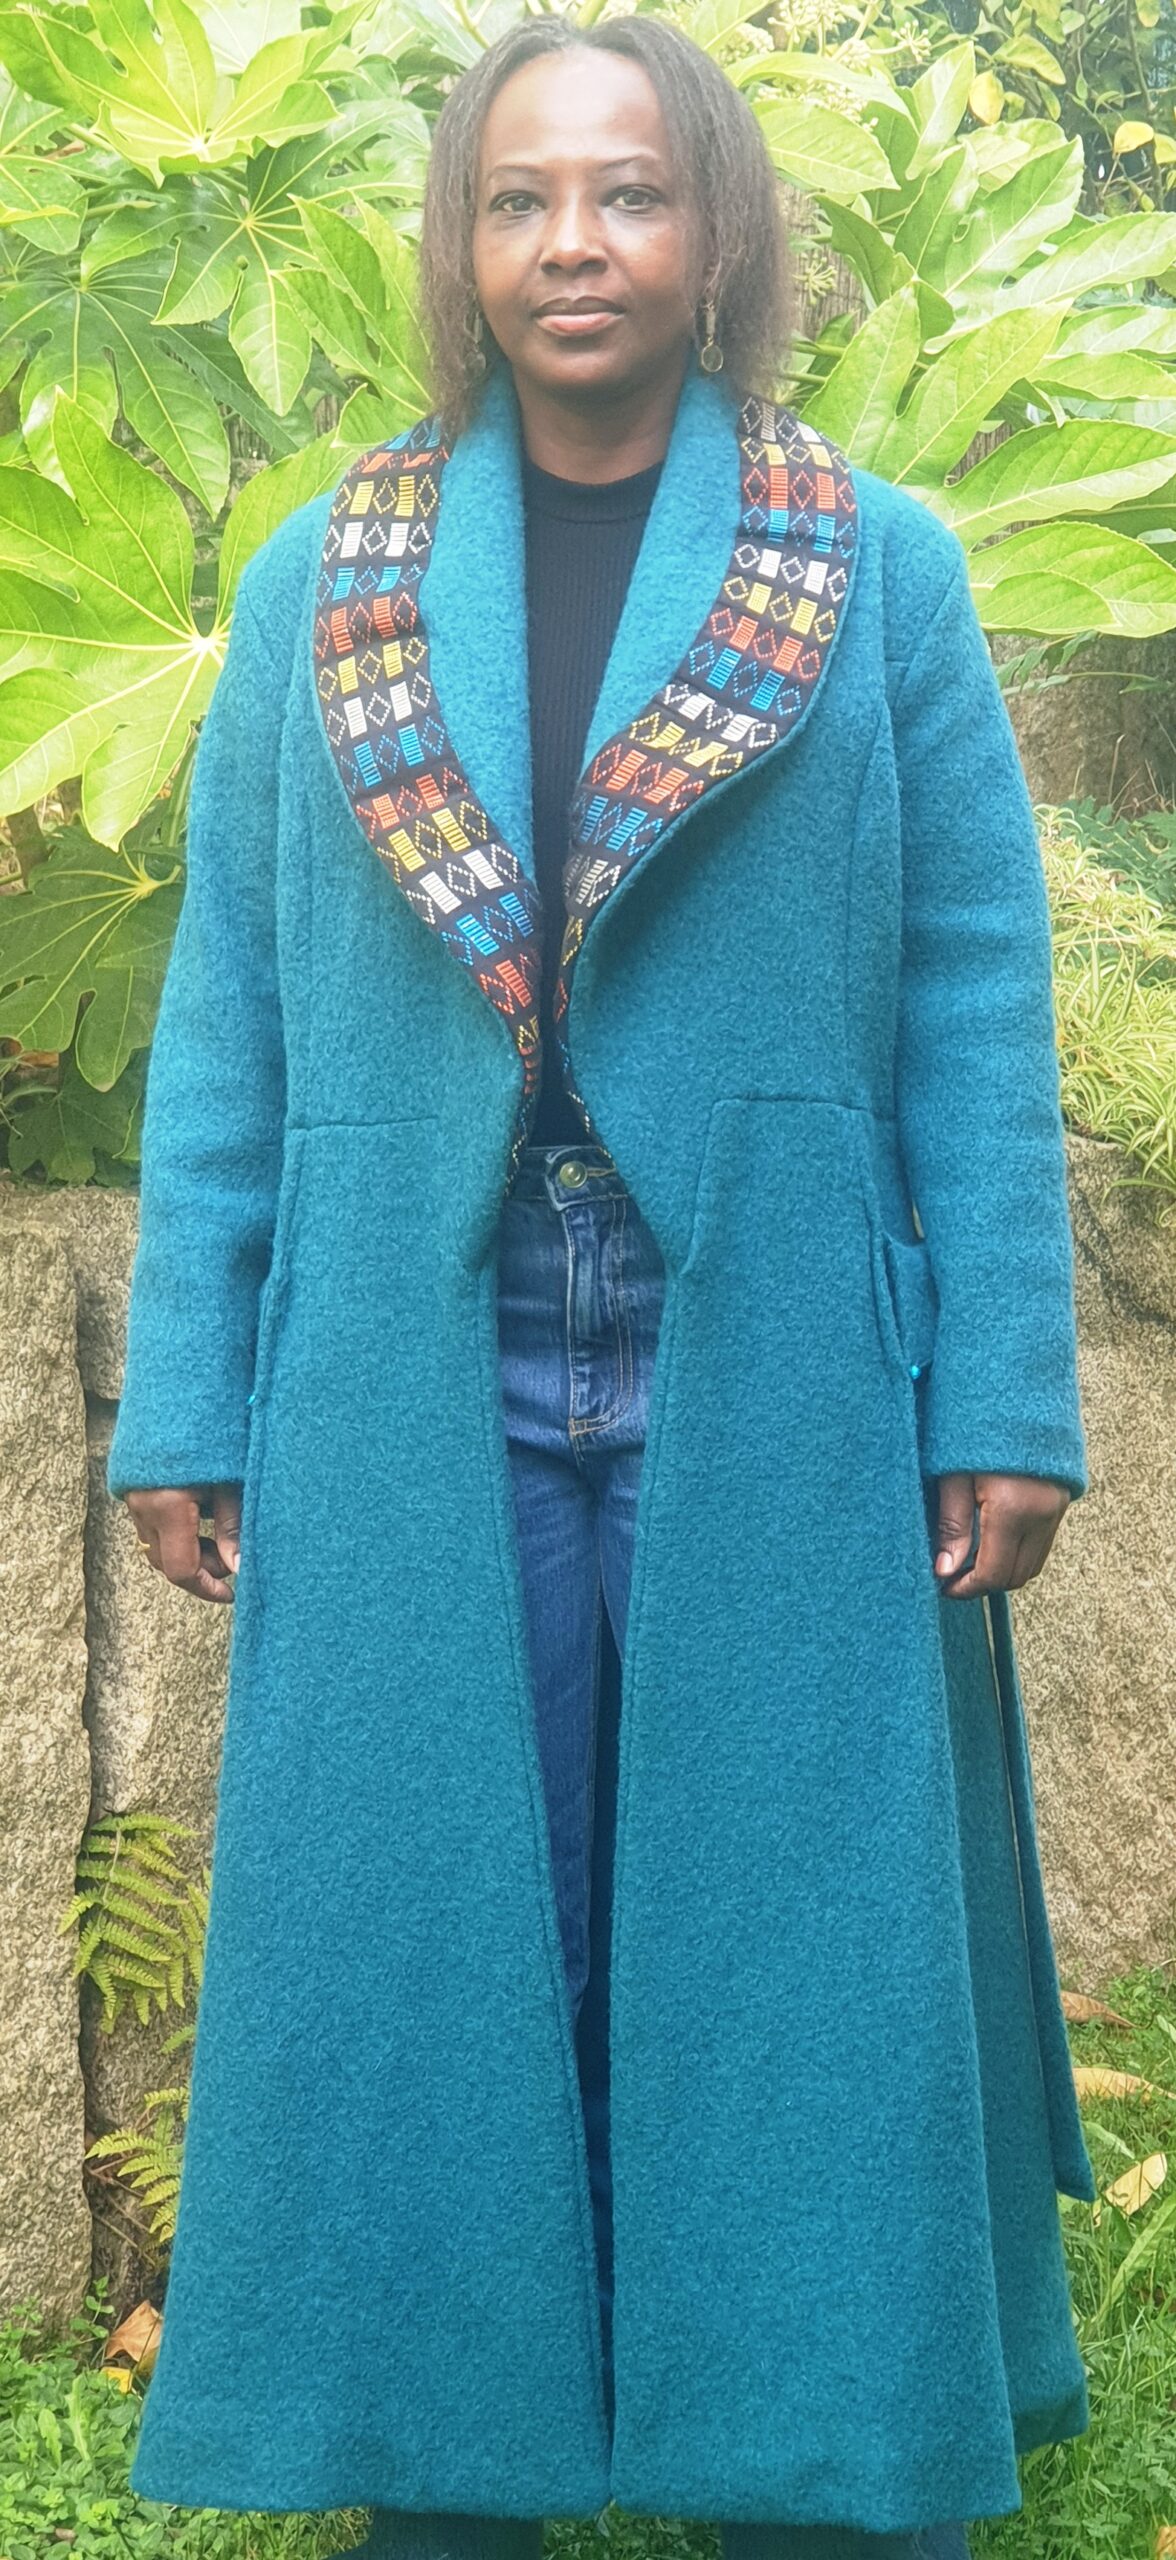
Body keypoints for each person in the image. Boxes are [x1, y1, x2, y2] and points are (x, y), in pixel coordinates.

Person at [108, 19, 1097, 2560]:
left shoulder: (867, 565)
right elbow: (230, 1005)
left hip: (771, 1347)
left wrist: (1003, 1377)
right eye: (523, 196)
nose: (576, 242)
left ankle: (821, 2470)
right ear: (461, 244)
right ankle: (443, 2478)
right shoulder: (320, 581)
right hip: (407, 1345)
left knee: (797, 1927)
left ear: (719, 235)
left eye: (633, 193)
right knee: (431, 1926)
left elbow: (973, 987)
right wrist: (187, 1386)